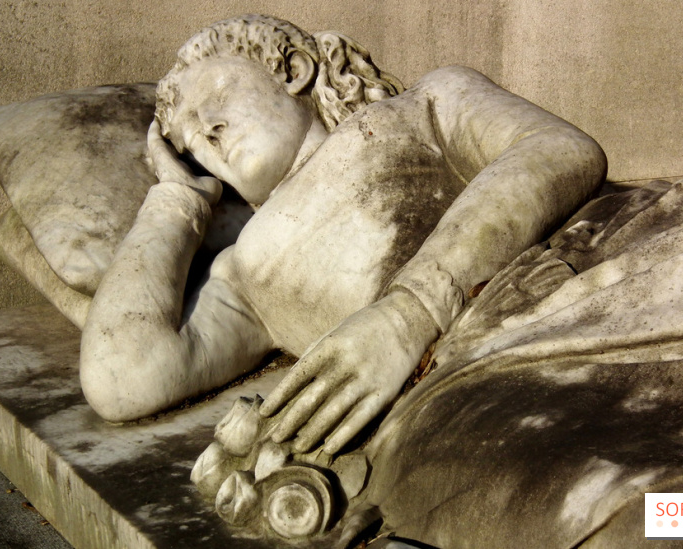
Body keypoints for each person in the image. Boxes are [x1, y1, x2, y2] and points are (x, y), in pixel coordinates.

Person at [79, 14, 607, 456]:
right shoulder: (244, 271)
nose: (208, 135)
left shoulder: (426, 104)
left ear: (292, 70)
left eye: (214, 100)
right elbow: (122, 376)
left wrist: (412, 310)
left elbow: (559, 149)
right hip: (476, 389)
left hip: (585, 285)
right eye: (194, 144)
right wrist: (175, 202)